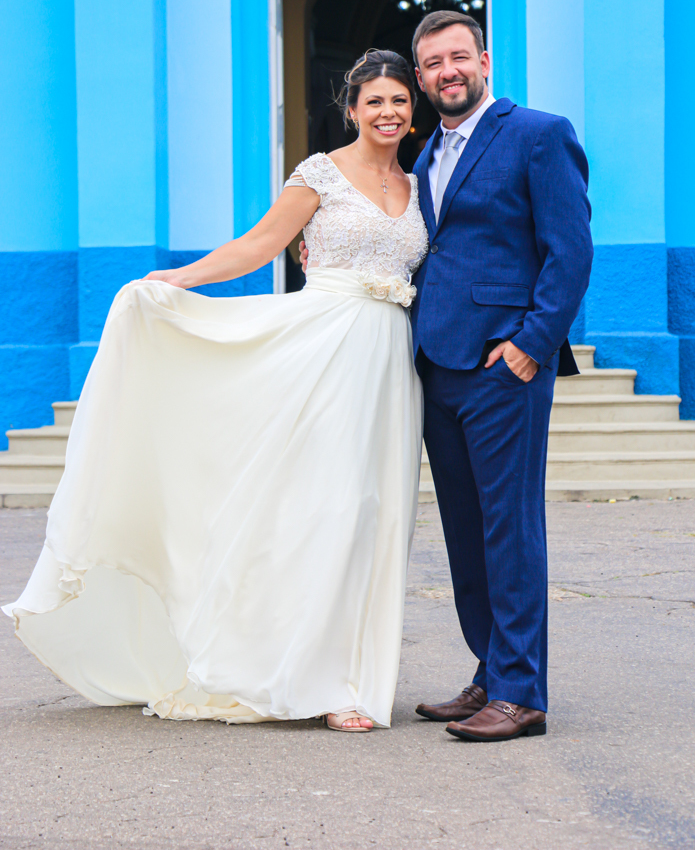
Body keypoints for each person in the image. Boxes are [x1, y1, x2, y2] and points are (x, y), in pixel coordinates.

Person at [3, 49, 429, 734]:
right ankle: (317, 680)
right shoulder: (320, 173)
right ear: (351, 109)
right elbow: (260, 244)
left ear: (414, 113)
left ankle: (352, 671)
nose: (387, 112)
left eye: (399, 101)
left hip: (388, 367)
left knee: (372, 519)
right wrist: (179, 281)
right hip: (320, 352)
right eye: (374, 101)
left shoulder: (421, 186)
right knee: (322, 510)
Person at [410, 11, 593, 741]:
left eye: (458, 57)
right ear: (422, 78)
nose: (447, 71)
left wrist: (531, 345)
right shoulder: (426, 155)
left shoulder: (538, 133)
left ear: (483, 60)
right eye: (432, 64)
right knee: (464, 530)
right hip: (437, 365)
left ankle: (522, 692)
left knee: (509, 529)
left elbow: (570, 251)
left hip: (502, 364)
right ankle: (489, 671)